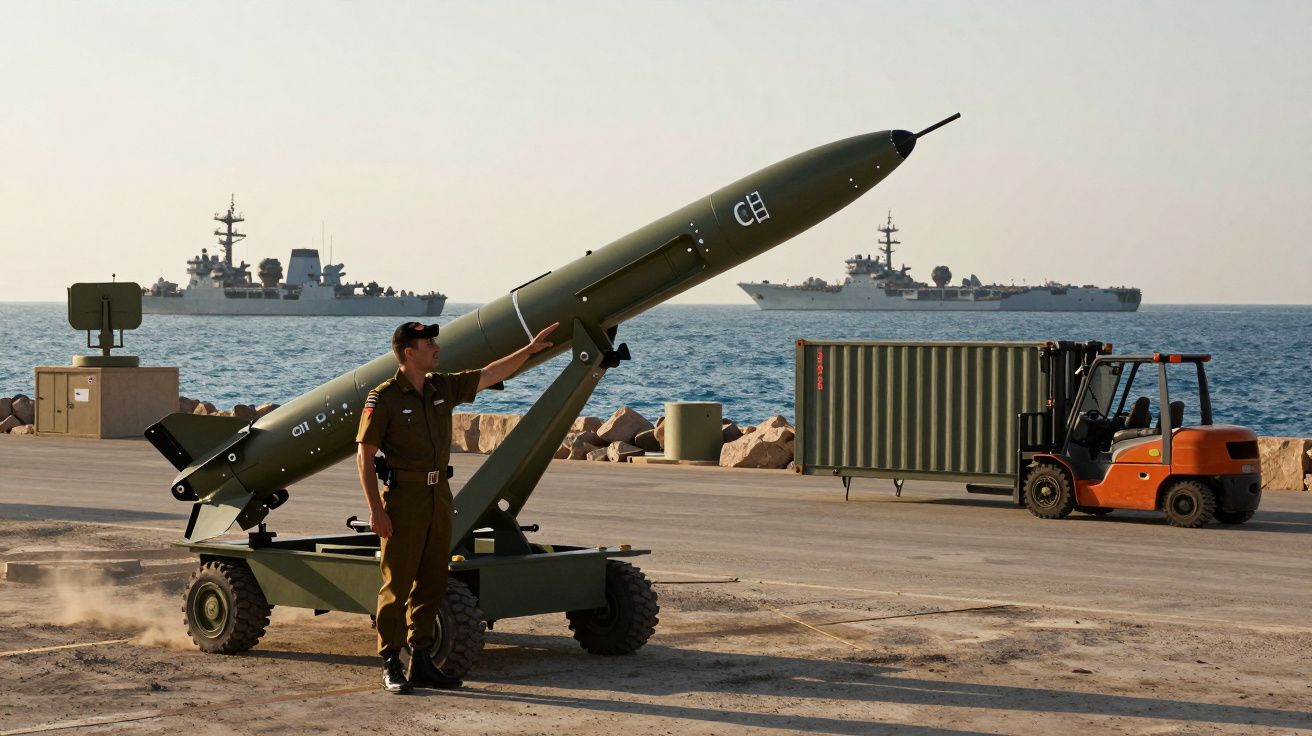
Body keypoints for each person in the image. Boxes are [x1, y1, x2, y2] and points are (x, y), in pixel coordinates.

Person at [356, 320, 558, 694]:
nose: (436, 348)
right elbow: (364, 457)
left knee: (433, 581)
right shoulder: (383, 398)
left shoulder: (440, 387)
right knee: (396, 585)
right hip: (403, 501)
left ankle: (421, 661)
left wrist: (527, 352)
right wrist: (376, 510)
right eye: (428, 343)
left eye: (434, 341)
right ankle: (390, 663)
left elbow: (487, 374)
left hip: (438, 497)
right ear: (408, 353)